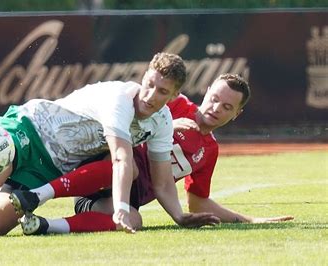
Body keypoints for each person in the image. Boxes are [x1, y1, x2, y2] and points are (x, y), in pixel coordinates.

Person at [0, 53, 217, 236]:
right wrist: (120, 209)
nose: (151, 95)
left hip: (51, 167)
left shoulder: (160, 123)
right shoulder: (120, 99)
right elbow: (120, 158)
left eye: (162, 92)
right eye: (150, 84)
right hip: (32, 127)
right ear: (144, 76)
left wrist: (179, 216)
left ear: (174, 96)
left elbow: (162, 181)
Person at [15, 73, 294, 235]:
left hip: (118, 202)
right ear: (206, 92)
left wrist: (250, 221)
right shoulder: (174, 104)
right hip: (101, 172)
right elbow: (131, 111)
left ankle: (43, 225)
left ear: (237, 115)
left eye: (227, 107)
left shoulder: (210, 151)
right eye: (214, 99)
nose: (216, 108)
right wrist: (168, 123)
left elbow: (198, 202)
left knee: (135, 221)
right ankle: (37, 194)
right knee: (132, 168)